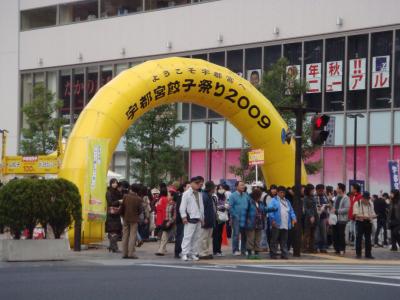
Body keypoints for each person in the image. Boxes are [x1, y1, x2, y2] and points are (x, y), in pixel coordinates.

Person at [268, 186, 297, 259]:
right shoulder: (273, 200)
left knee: (284, 240)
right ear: (277, 193)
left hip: (285, 223)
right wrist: (273, 220)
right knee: (274, 240)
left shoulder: (287, 201)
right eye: (281, 192)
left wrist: (294, 218)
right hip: (277, 223)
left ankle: (284, 254)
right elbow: (270, 211)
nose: (282, 194)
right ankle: (273, 254)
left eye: (284, 193)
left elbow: (291, 211)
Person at [180, 177, 204, 261]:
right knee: (187, 236)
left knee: (196, 237)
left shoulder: (199, 193)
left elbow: (201, 207)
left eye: (200, 184)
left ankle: (193, 253)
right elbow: (182, 206)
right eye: (197, 183)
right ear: (192, 183)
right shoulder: (186, 193)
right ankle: (184, 253)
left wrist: (202, 218)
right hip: (190, 217)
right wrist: (184, 217)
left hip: (198, 217)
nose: (198, 185)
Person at [120, 184, 143, 259]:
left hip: (125, 218)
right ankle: (131, 253)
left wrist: (122, 215)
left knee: (125, 235)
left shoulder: (125, 196)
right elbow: (140, 210)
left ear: (131, 189)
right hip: (134, 219)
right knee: (132, 236)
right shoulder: (139, 199)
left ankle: (124, 253)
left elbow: (122, 207)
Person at [228, 181, 251, 256]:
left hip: (245, 218)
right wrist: (235, 215)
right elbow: (230, 207)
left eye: (243, 185)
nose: (243, 186)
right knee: (236, 234)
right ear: (236, 187)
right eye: (241, 185)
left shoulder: (246, 195)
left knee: (245, 235)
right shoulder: (232, 195)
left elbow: (249, 205)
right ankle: (235, 250)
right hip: (236, 218)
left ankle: (244, 250)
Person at [353, 191, 376, 259]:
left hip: (368, 222)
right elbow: (355, 214)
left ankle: (368, 254)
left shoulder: (371, 204)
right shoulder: (357, 203)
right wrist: (364, 217)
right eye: (366, 199)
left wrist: (374, 216)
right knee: (358, 238)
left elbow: (373, 213)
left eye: (368, 199)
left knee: (368, 239)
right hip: (360, 222)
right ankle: (358, 254)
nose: (367, 200)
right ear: (362, 198)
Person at [245, 189, 265, 259]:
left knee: (258, 239)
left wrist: (272, 209)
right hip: (251, 223)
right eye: (259, 195)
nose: (260, 196)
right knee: (251, 238)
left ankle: (256, 253)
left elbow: (264, 210)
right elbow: (245, 212)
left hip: (259, 223)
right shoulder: (249, 202)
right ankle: (249, 253)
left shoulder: (261, 203)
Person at [199, 181, 217, 259]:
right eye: (214, 187)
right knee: (204, 237)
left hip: (210, 220)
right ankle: (202, 253)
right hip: (206, 220)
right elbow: (202, 210)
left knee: (208, 238)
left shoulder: (209, 196)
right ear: (211, 188)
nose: (215, 189)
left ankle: (206, 252)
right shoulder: (205, 196)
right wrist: (203, 220)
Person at [156, 189, 176, 256]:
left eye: (169, 195)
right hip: (166, 221)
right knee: (164, 236)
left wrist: (170, 222)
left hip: (172, 223)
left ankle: (162, 249)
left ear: (172, 196)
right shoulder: (168, 203)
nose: (167, 196)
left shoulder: (175, 204)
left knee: (168, 236)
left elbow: (175, 215)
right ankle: (161, 250)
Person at [332, 183, 350, 255]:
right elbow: (334, 206)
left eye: (337, 187)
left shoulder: (346, 198)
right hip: (335, 219)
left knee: (341, 234)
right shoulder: (336, 197)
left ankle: (342, 248)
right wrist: (332, 210)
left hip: (342, 219)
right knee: (335, 234)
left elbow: (346, 209)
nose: (336, 189)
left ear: (340, 189)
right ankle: (337, 249)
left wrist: (336, 211)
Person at [105, 178, 123, 253]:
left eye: (116, 183)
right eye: (113, 183)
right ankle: (114, 247)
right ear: (111, 183)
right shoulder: (108, 192)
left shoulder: (117, 192)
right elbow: (110, 203)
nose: (115, 184)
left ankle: (111, 246)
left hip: (117, 213)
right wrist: (118, 201)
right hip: (111, 214)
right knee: (113, 230)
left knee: (115, 230)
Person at [174, 181, 190, 258]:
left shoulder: (189, 196)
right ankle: (178, 251)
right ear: (184, 188)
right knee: (181, 236)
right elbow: (179, 209)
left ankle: (184, 251)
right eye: (188, 187)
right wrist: (183, 217)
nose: (189, 188)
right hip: (181, 220)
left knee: (186, 236)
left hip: (188, 219)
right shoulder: (181, 196)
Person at [213, 184, 228, 256]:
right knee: (216, 234)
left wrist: (227, 206)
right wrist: (223, 206)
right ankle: (215, 250)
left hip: (223, 217)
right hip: (217, 217)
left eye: (223, 188)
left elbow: (226, 204)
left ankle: (219, 250)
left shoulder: (224, 196)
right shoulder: (215, 196)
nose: (221, 190)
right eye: (220, 188)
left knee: (220, 234)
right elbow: (215, 206)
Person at [303, 184, 318, 253]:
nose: (313, 191)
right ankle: (304, 248)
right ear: (308, 190)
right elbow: (306, 209)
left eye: (313, 189)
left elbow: (315, 207)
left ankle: (311, 248)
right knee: (307, 233)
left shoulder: (313, 197)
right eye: (312, 190)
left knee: (313, 234)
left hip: (315, 216)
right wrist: (311, 216)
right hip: (308, 217)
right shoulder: (305, 198)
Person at [315, 184, 329, 253]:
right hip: (316, 217)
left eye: (322, 190)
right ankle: (316, 246)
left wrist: (326, 206)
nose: (321, 192)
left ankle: (323, 247)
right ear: (316, 190)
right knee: (316, 233)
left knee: (324, 233)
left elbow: (328, 204)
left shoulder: (325, 197)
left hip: (323, 217)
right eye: (320, 191)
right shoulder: (314, 196)